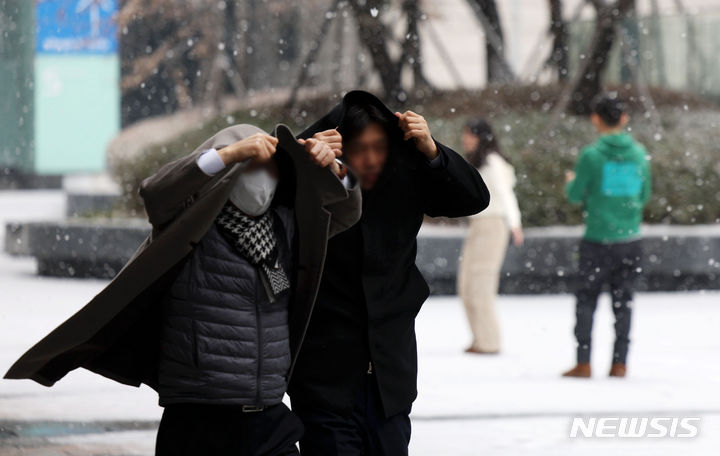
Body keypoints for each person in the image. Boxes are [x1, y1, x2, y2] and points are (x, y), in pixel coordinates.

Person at [5, 123, 362, 456]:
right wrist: (228, 154)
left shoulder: (284, 226)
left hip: (268, 412)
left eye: (270, 169)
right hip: (199, 413)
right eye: (251, 166)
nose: (263, 178)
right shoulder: (190, 222)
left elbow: (344, 213)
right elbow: (156, 191)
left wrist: (334, 171)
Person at [287, 90, 490, 455]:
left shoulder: (403, 177)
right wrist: (306, 163)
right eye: (359, 148)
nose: (369, 158)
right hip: (324, 377)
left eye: (378, 146)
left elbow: (473, 197)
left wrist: (431, 149)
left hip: (389, 377)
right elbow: (267, 198)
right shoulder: (315, 182)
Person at [562, 96, 652, 379]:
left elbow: (575, 194)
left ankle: (584, 361)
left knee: (587, 300)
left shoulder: (591, 155)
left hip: (597, 240)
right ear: (624, 119)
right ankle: (620, 362)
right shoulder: (639, 154)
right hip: (630, 240)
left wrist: (570, 183)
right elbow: (644, 195)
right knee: (623, 302)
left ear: (596, 119)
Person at [457, 118, 523, 355]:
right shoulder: (478, 162)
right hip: (478, 225)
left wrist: (515, 223)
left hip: (493, 224)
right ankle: (479, 337)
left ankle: (489, 341)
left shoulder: (493, 161)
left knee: (481, 283)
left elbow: (506, 194)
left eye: (470, 135)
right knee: (467, 284)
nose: (466, 140)